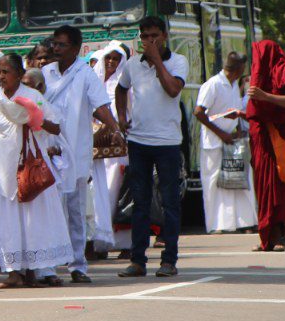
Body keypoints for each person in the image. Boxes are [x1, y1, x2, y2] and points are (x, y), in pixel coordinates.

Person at [0, 56, 74, 288]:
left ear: (18, 73)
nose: (2, 76)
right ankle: (13, 273)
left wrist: (35, 119)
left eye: (6, 72)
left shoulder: (34, 96)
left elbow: (55, 127)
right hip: (1, 167)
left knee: (33, 218)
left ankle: (35, 271)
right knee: (6, 219)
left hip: (29, 166)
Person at [42, 25, 119, 283]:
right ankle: (48, 268)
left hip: (75, 152)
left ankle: (77, 266)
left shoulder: (85, 74)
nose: (56, 48)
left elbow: (101, 106)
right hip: (47, 150)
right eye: (54, 44)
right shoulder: (45, 73)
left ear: (76, 48)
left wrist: (115, 128)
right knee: (51, 211)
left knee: (75, 212)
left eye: (62, 45)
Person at [115, 17, 188, 277]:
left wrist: (157, 61)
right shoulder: (132, 64)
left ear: (164, 36)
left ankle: (169, 260)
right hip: (138, 141)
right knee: (140, 203)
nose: (149, 41)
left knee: (169, 202)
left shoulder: (178, 61)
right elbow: (121, 89)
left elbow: (173, 90)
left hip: (167, 142)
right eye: (145, 36)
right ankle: (137, 260)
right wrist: (121, 117)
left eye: (154, 35)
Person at [246, 39, 285, 252]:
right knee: (264, 187)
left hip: (279, 139)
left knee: (280, 188)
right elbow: (259, 111)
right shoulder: (261, 75)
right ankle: (269, 236)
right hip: (261, 139)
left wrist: (265, 96)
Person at [195, 51, 255, 234]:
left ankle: (244, 222)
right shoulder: (213, 84)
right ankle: (216, 225)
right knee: (214, 184)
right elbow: (199, 112)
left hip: (232, 141)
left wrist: (237, 131)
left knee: (238, 180)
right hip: (214, 142)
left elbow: (233, 111)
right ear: (239, 68)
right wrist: (221, 134)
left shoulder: (234, 84)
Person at [89, 42, 128, 258]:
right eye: (108, 58)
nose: (111, 62)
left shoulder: (124, 83)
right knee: (97, 194)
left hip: (117, 149)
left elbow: (129, 112)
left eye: (116, 58)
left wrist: (117, 129)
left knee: (117, 192)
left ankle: (122, 242)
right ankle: (99, 242)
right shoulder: (94, 81)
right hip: (95, 147)